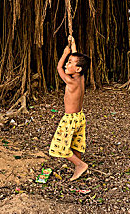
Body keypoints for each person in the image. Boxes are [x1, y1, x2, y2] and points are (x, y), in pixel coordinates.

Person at [49, 35, 91, 181]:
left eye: (70, 63)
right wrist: (73, 45)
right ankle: (80, 167)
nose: (67, 64)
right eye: (68, 61)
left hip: (69, 119)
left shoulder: (70, 81)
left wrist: (65, 53)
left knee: (59, 146)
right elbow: (77, 60)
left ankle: (80, 165)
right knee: (76, 143)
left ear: (77, 68)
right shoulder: (81, 77)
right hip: (80, 117)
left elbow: (58, 67)